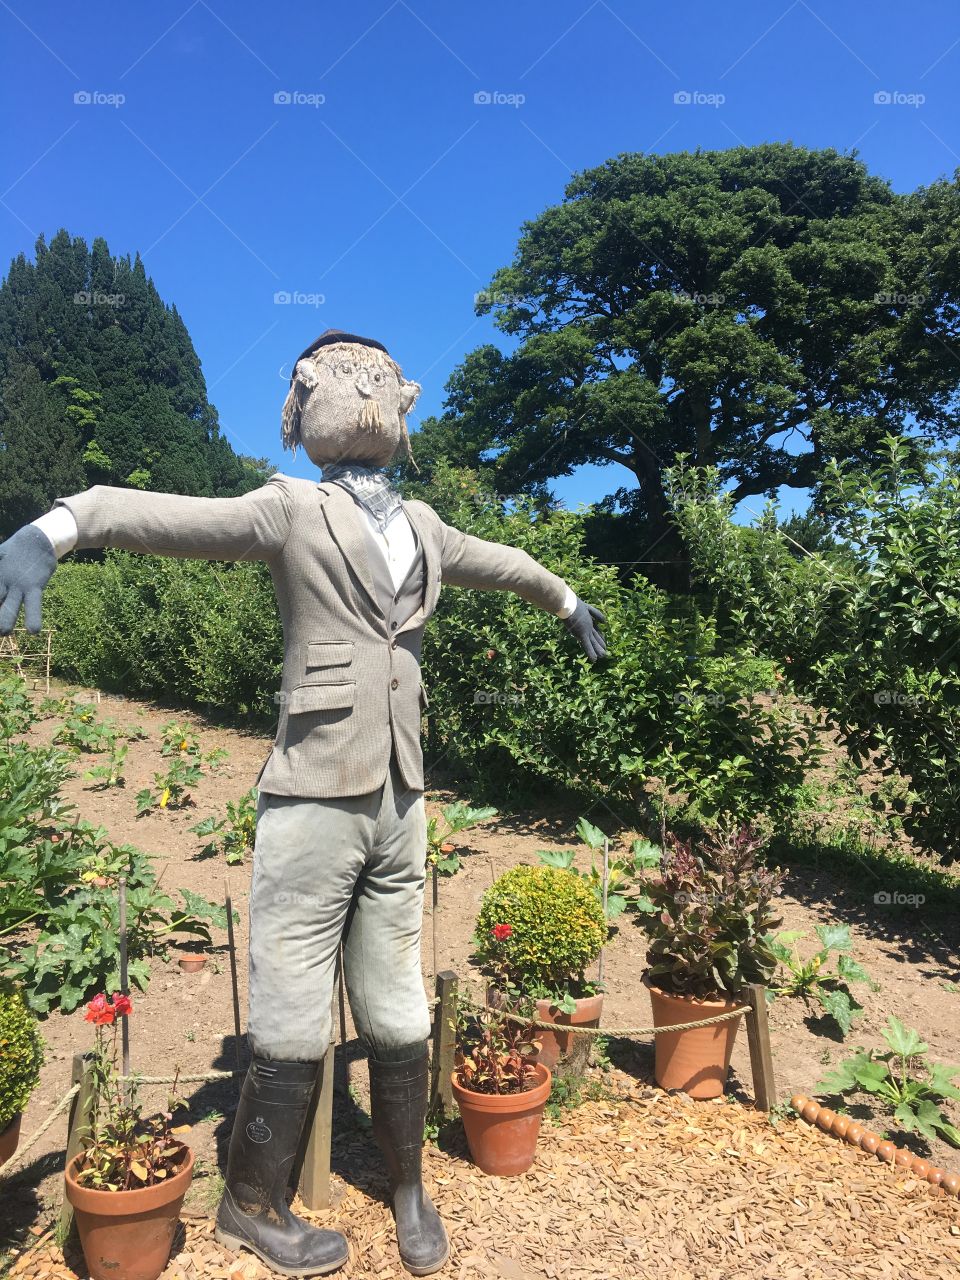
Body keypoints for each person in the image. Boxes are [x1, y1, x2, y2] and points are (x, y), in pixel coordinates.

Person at [0, 329, 607, 1277]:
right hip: (312, 794)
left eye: (380, 379)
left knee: (400, 1008)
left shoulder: (427, 526)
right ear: (312, 403)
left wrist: (567, 600)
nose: (366, 392)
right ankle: (252, 1200)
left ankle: (407, 1186)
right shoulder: (290, 510)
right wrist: (58, 527)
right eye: (347, 379)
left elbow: (508, 562)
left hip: (402, 799)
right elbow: (167, 515)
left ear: (400, 405)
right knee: (287, 1016)